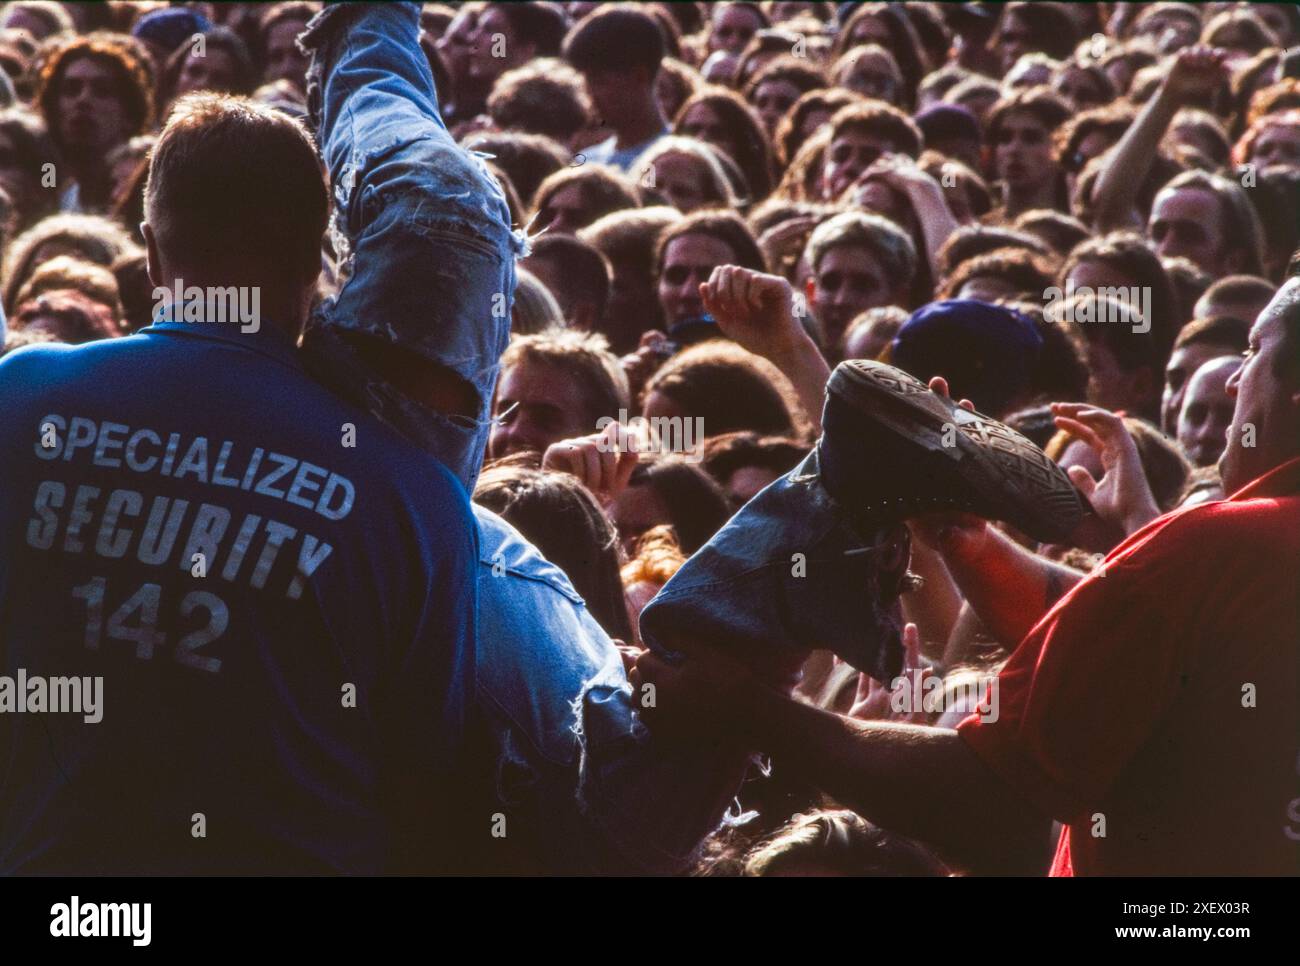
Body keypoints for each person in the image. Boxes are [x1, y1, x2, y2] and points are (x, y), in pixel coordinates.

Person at [634, 262, 1300, 876]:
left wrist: (749, 707)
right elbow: (1123, 659)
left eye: (1252, 352)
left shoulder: (1220, 550)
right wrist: (966, 541)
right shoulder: (1229, 561)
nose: (1235, 376)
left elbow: (990, 803)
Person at [0, 70, 482, 874]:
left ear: (152, 254)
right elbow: (427, 785)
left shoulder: (19, 400)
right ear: (318, 263)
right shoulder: (413, 496)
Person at [564, 6, 669, 172]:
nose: (589, 95)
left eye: (599, 81)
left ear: (639, 77)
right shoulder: (586, 163)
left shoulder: (676, 165)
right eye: (586, 83)